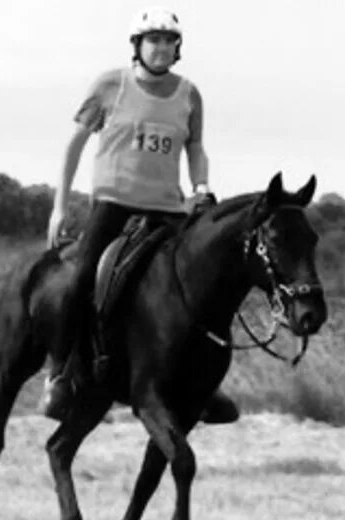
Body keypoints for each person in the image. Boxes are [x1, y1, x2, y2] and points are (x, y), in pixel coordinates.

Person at [42, 6, 238, 425]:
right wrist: (59, 207)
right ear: (137, 45)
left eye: (169, 42)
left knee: (199, 286)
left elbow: (196, 148)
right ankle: (59, 376)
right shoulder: (110, 85)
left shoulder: (189, 94)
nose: (162, 48)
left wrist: (201, 187)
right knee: (80, 282)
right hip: (114, 204)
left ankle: (203, 385)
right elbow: (75, 144)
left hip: (167, 208)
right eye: (154, 40)